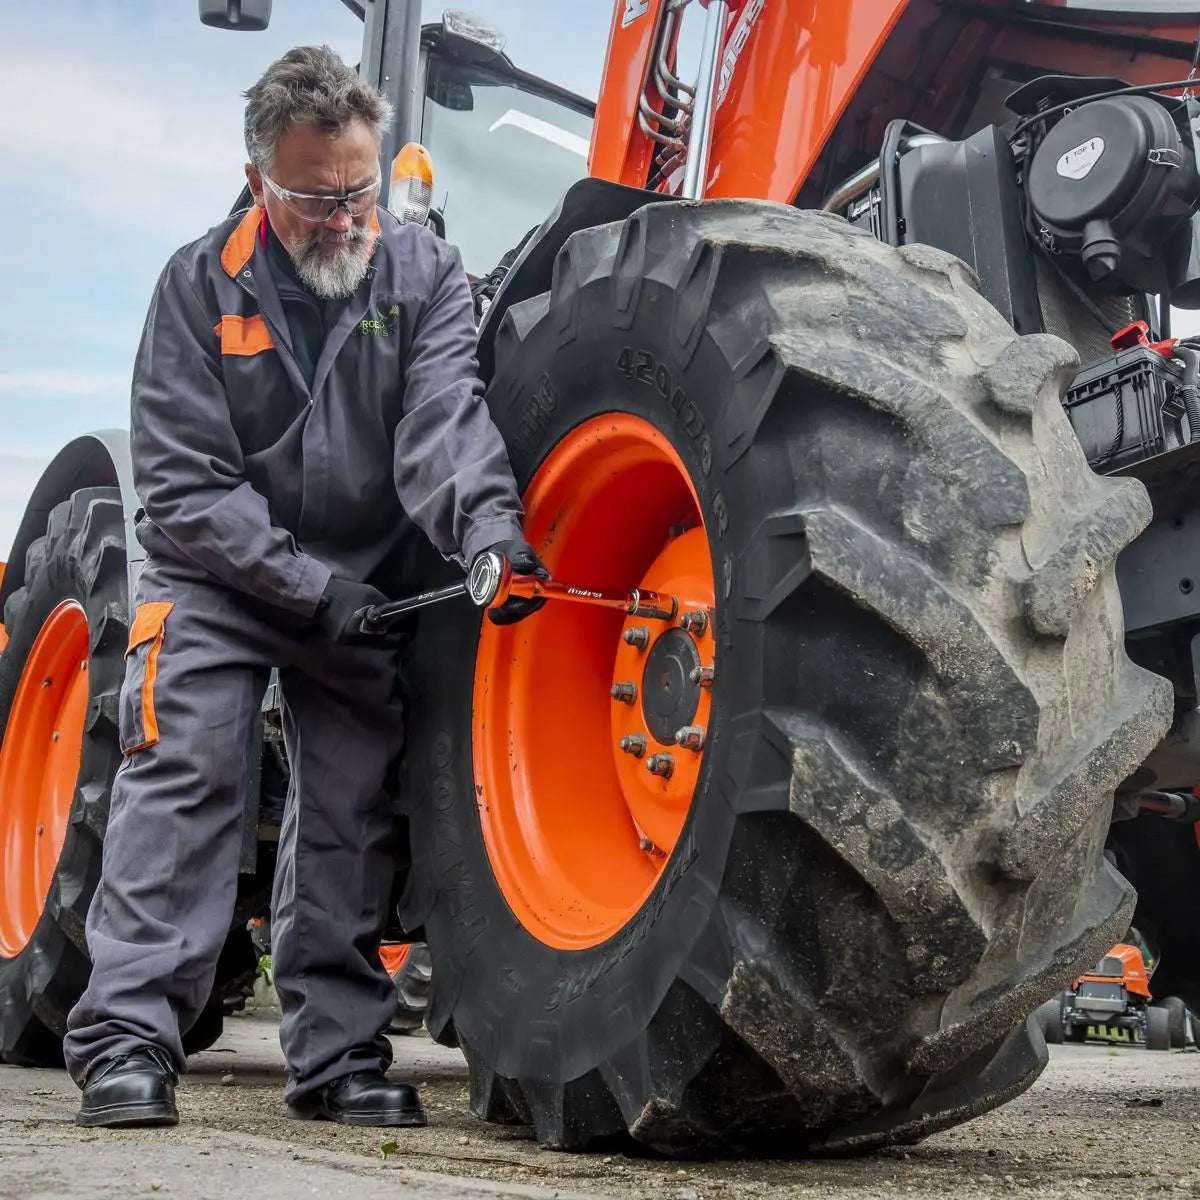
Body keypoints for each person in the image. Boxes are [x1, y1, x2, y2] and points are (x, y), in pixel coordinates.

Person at [63, 44, 545, 1130]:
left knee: (353, 803)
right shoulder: (196, 289)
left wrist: (491, 534)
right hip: (217, 576)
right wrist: (297, 583)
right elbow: (185, 489)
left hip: (360, 577)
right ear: (259, 184)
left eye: (361, 191)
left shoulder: (418, 271)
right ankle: (129, 1042)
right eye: (317, 199)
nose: (345, 219)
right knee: (183, 764)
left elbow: (444, 423)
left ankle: (334, 1058)